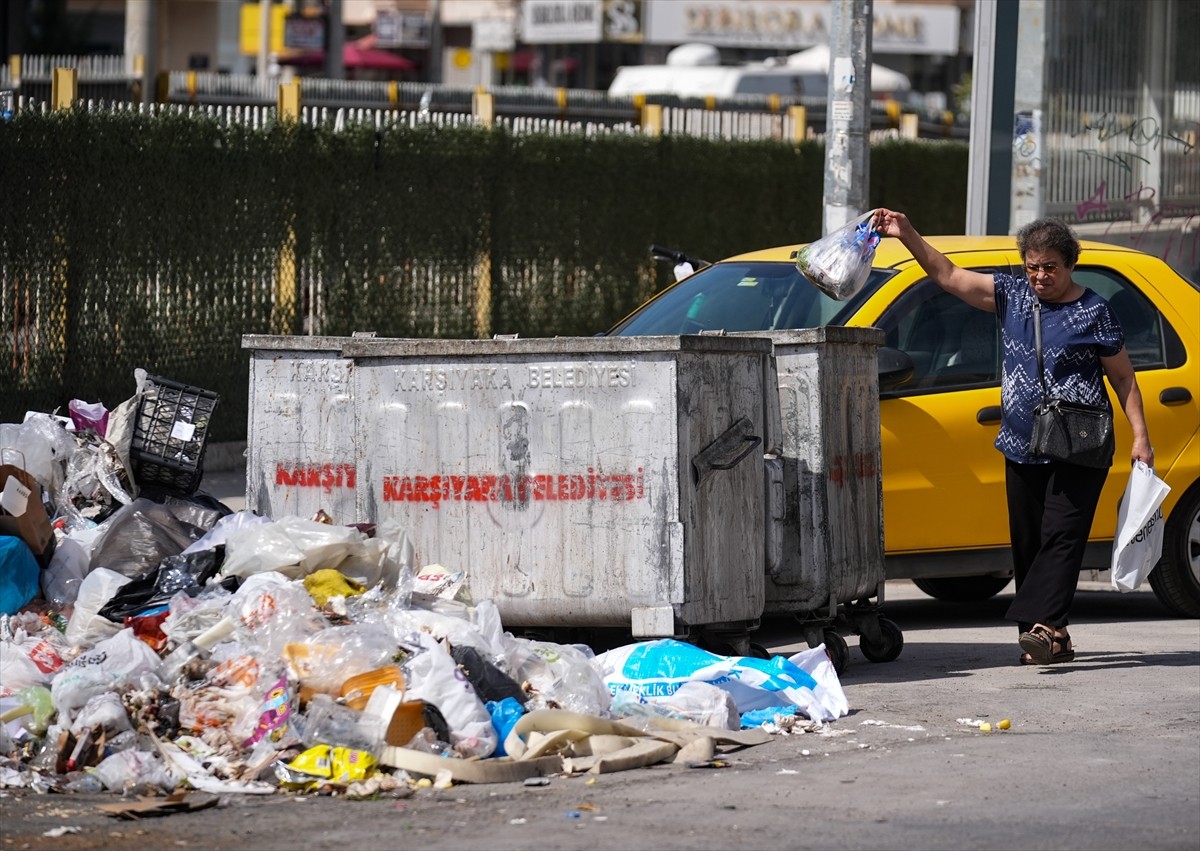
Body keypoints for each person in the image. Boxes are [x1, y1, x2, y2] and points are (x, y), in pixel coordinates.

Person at [872, 210, 1153, 665]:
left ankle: (1041, 625)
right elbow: (947, 275)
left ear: (1070, 264)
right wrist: (906, 233)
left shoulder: (1094, 310)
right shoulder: (1012, 296)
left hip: (1081, 442)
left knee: (1062, 534)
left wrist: (1141, 435)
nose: (1040, 276)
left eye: (1050, 267)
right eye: (1032, 266)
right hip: (1023, 442)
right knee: (1028, 541)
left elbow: (1123, 378)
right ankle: (1049, 638)